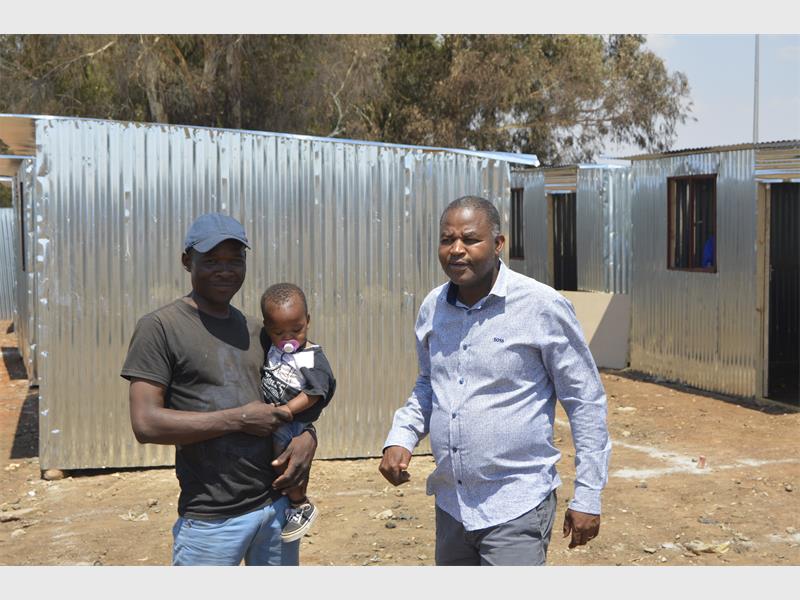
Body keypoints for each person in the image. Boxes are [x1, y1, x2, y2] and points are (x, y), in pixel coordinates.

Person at [379, 196, 611, 566]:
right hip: (453, 506)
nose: (457, 250)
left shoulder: (540, 306)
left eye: (470, 239)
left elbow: (585, 401)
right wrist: (401, 436)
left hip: (516, 504)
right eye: (447, 240)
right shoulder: (433, 308)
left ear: (498, 244)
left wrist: (588, 494)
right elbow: (429, 384)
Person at [121, 212, 318, 566]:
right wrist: (239, 419)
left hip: (275, 509)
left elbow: (294, 394)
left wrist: (308, 437)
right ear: (187, 261)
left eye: (235, 260)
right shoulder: (160, 328)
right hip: (212, 520)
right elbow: (146, 423)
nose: (225, 270)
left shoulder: (260, 331)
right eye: (211, 260)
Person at [259, 282, 336, 542]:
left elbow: (315, 392)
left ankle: (300, 504)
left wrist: (287, 410)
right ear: (267, 328)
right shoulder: (272, 348)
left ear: (308, 321)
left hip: (292, 422)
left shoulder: (310, 357)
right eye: (279, 332)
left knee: (286, 463)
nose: (288, 338)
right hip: (276, 418)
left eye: (297, 330)